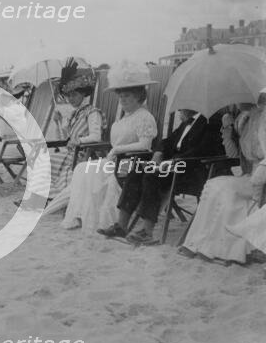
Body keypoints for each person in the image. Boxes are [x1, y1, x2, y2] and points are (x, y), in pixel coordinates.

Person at [61, 62, 158, 231]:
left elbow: (145, 144)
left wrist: (117, 150)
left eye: (127, 96)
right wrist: (115, 151)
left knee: (92, 171)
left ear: (138, 97)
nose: (123, 100)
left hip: (134, 161)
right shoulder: (124, 118)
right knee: (82, 168)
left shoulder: (144, 117)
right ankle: (81, 216)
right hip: (117, 159)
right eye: (121, 97)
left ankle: (106, 220)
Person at [97, 109, 219, 243]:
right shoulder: (186, 123)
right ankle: (121, 225)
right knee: (137, 169)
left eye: (182, 106)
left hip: (192, 173)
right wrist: (159, 152)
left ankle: (147, 232)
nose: (179, 110)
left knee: (152, 175)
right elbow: (167, 141)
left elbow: (203, 150)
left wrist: (172, 162)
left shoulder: (210, 121)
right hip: (172, 168)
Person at [180, 91, 266, 263]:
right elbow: (233, 155)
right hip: (250, 174)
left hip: (262, 178)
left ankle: (219, 248)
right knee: (214, 184)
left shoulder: (263, 119)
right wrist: (228, 130)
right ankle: (197, 243)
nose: (234, 102)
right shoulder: (245, 119)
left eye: (238, 98)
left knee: (225, 189)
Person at [20, 58, 103, 210]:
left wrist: (79, 141)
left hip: (85, 154)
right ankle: (40, 197)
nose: (71, 99)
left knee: (55, 164)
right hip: (71, 153)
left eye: (74, 95)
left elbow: (96, 137)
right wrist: (58, 122)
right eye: (68, 96)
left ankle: (51, 198)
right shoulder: (74, 114)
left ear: (83, 94)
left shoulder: (92, 113)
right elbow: (64, 139)